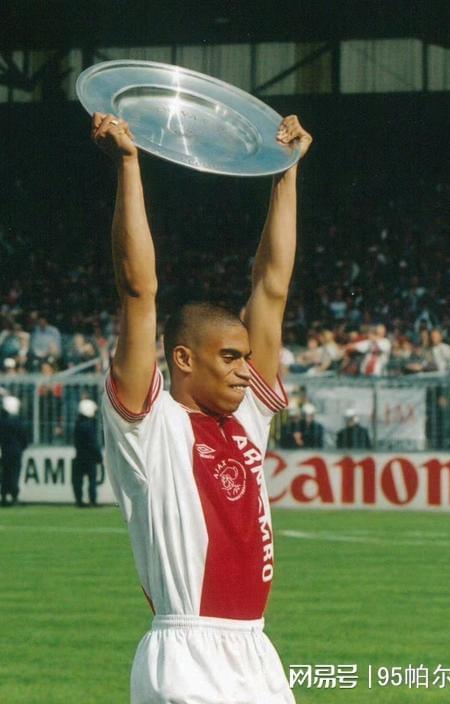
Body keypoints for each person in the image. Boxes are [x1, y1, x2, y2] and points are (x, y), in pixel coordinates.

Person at [92, 110, 312, 704]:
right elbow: (138, 291)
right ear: (184, 359)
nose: (246, 370)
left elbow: (271, 287)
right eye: (231, 357)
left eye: (246, 358)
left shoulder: (246, 419)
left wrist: (286, 172)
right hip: (186, 656)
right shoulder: (149, 426)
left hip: (257, 651)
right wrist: (130, 165)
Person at [72, 399, 102, 507]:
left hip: (79, 456)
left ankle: (79, 501)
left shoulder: (77, 424)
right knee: (92, 480)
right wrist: (99, 456)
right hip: (89, 457)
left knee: (78, 480)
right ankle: (92, 500)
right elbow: (93, 443)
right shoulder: (89, 426)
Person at [0, 395, 28, 506]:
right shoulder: (18, 422)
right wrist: (22, 447)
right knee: (14, 474)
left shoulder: (2, 422)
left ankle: (3, 496)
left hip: (5, 450)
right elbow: (24, 438)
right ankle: (14, 497)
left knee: (5, 473)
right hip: (16, 451)